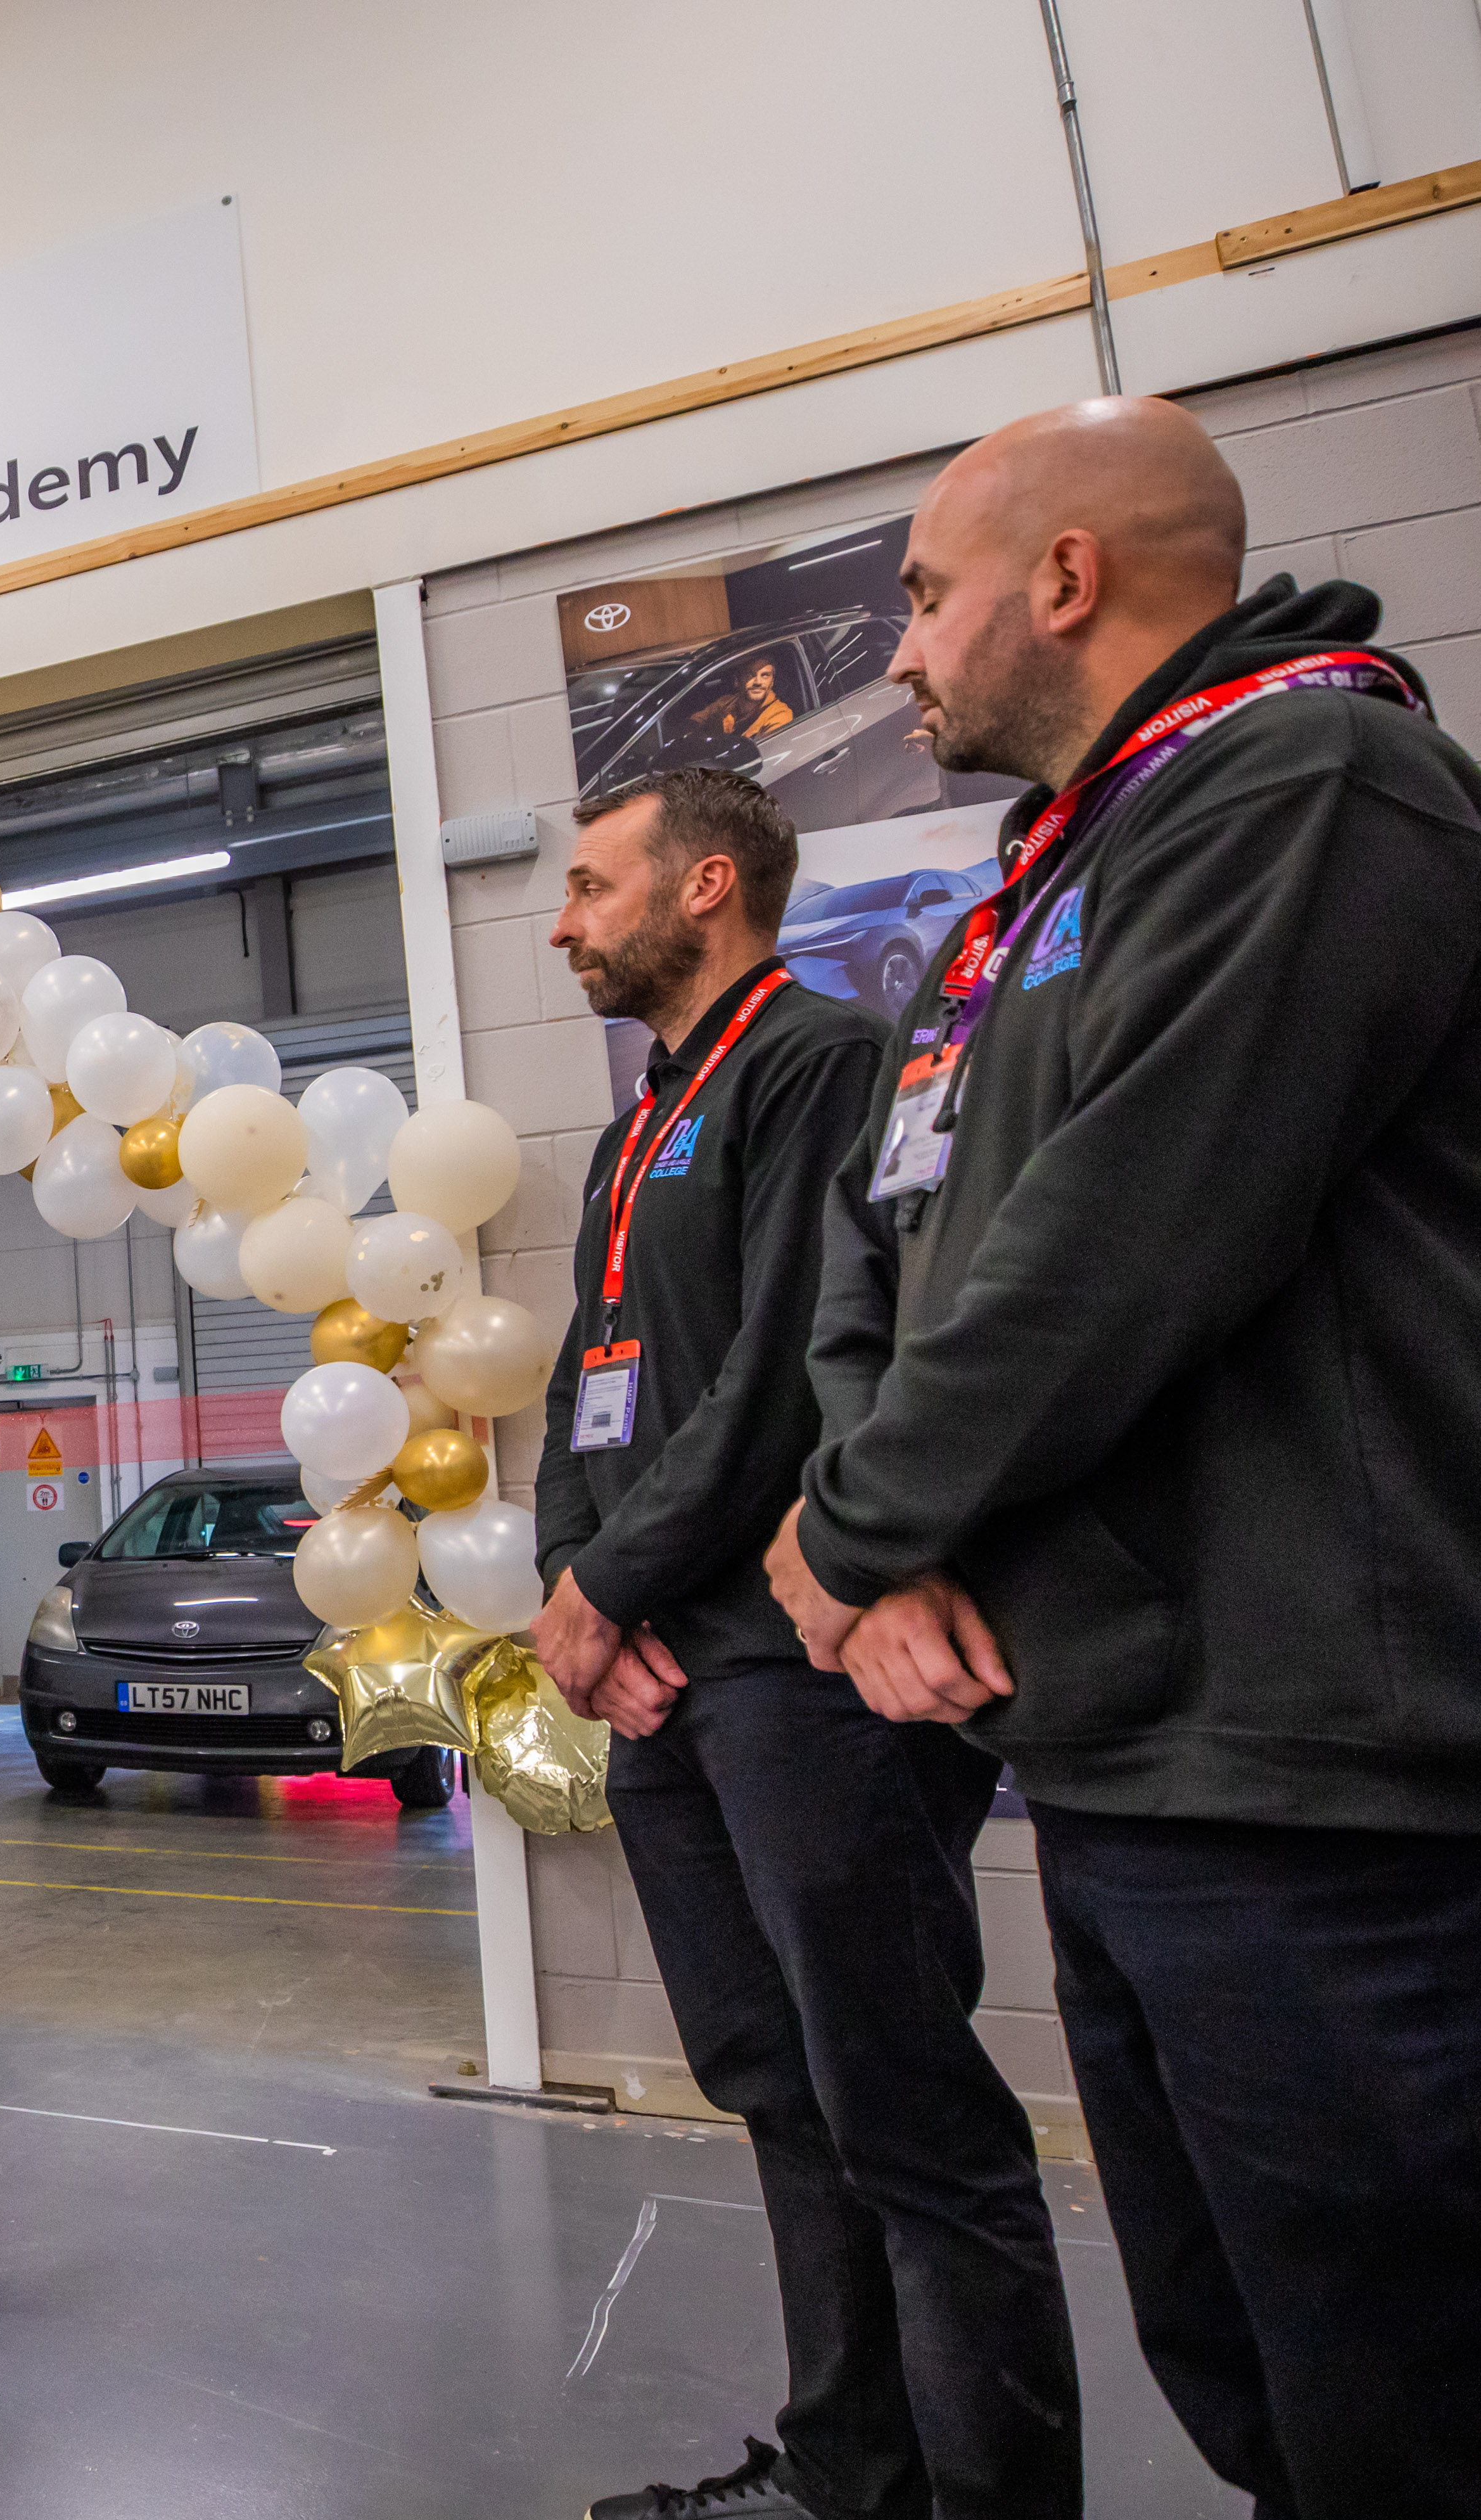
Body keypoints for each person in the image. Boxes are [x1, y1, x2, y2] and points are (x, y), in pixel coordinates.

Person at [763, 395, 1481, 2519]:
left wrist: (852, 1519)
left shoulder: (1309, 781)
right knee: (1241, 2354)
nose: (893, 655)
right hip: (1112, 1745)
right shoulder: (1023, 900)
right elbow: (877, 1243)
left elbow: (1129, 1231)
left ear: (1061, 576)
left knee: (1397, 2396)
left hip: (1317, 1765)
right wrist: (867, 1548)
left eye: (915, 598)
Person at [528, 769, 1078, 2520]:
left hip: (795, 1668)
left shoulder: (816, 1060)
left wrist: (605, 1588)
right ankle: (852, 2467)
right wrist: (572, 1575)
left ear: (703, 886)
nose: (561, 920)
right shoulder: (640, 1117)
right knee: (771, 2082)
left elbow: (780, 1380)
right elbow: (582, 1382)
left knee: (899, 2104)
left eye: (589, 886)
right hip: (660, 1674)